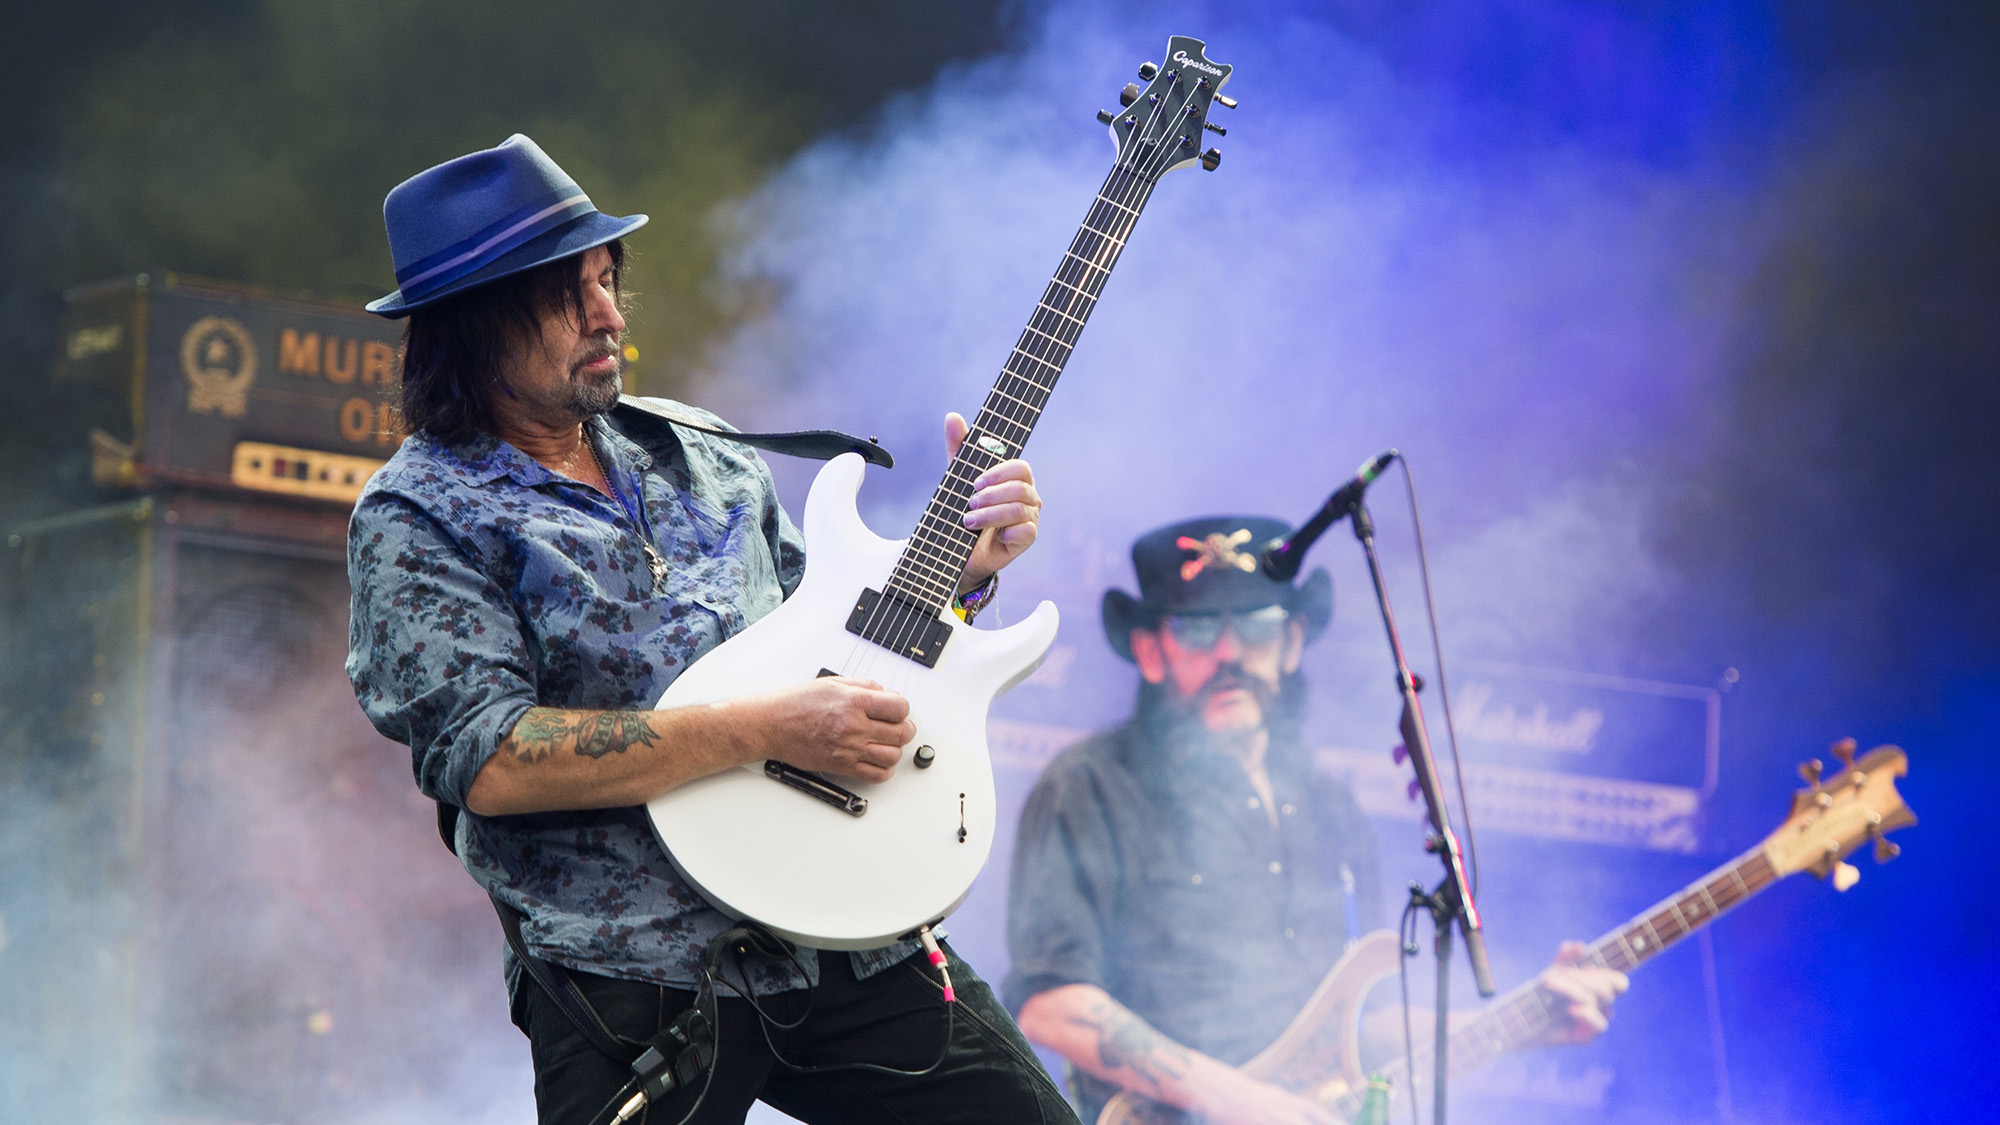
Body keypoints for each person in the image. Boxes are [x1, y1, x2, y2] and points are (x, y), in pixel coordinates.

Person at [346, 135, 1077, 1124]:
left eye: (607, 280)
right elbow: (493, 761)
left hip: (841, 923)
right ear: (472, 328)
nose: (608, 316)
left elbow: (836, 647)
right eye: (566, 295)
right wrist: (763, 731)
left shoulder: (702, 450)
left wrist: (962, 575)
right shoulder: (419, 514)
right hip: (631, 975)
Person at [1003, 517, 1629, 1125]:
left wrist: (1524, 1023)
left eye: (1258, 627)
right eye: (1196, 630)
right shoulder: (1088, 785)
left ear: (1293, 643)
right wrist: (1237, 1102)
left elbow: (1362, 1028)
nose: (1229, 654)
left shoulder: (1332, 809)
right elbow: (1050, 1004)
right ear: (1149, 650)